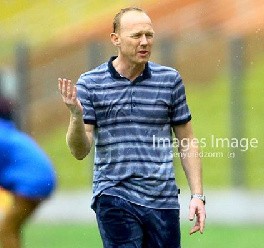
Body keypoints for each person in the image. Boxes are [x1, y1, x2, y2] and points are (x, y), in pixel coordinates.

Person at [58, 7, 206, 247]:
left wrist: (198, 195)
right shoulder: (90, 83)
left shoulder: (170, 80)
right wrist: (76, 116)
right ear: (115, 40)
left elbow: (187, 140)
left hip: (163, 200)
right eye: (136, 36)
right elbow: (79, 151)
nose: (145, 42)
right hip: (114, 195)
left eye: (149, 35)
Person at [0, 97, 56, 248]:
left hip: (32, 183)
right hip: (42, 181)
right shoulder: (8, 131)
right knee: (11, 227)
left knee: (7, 229)